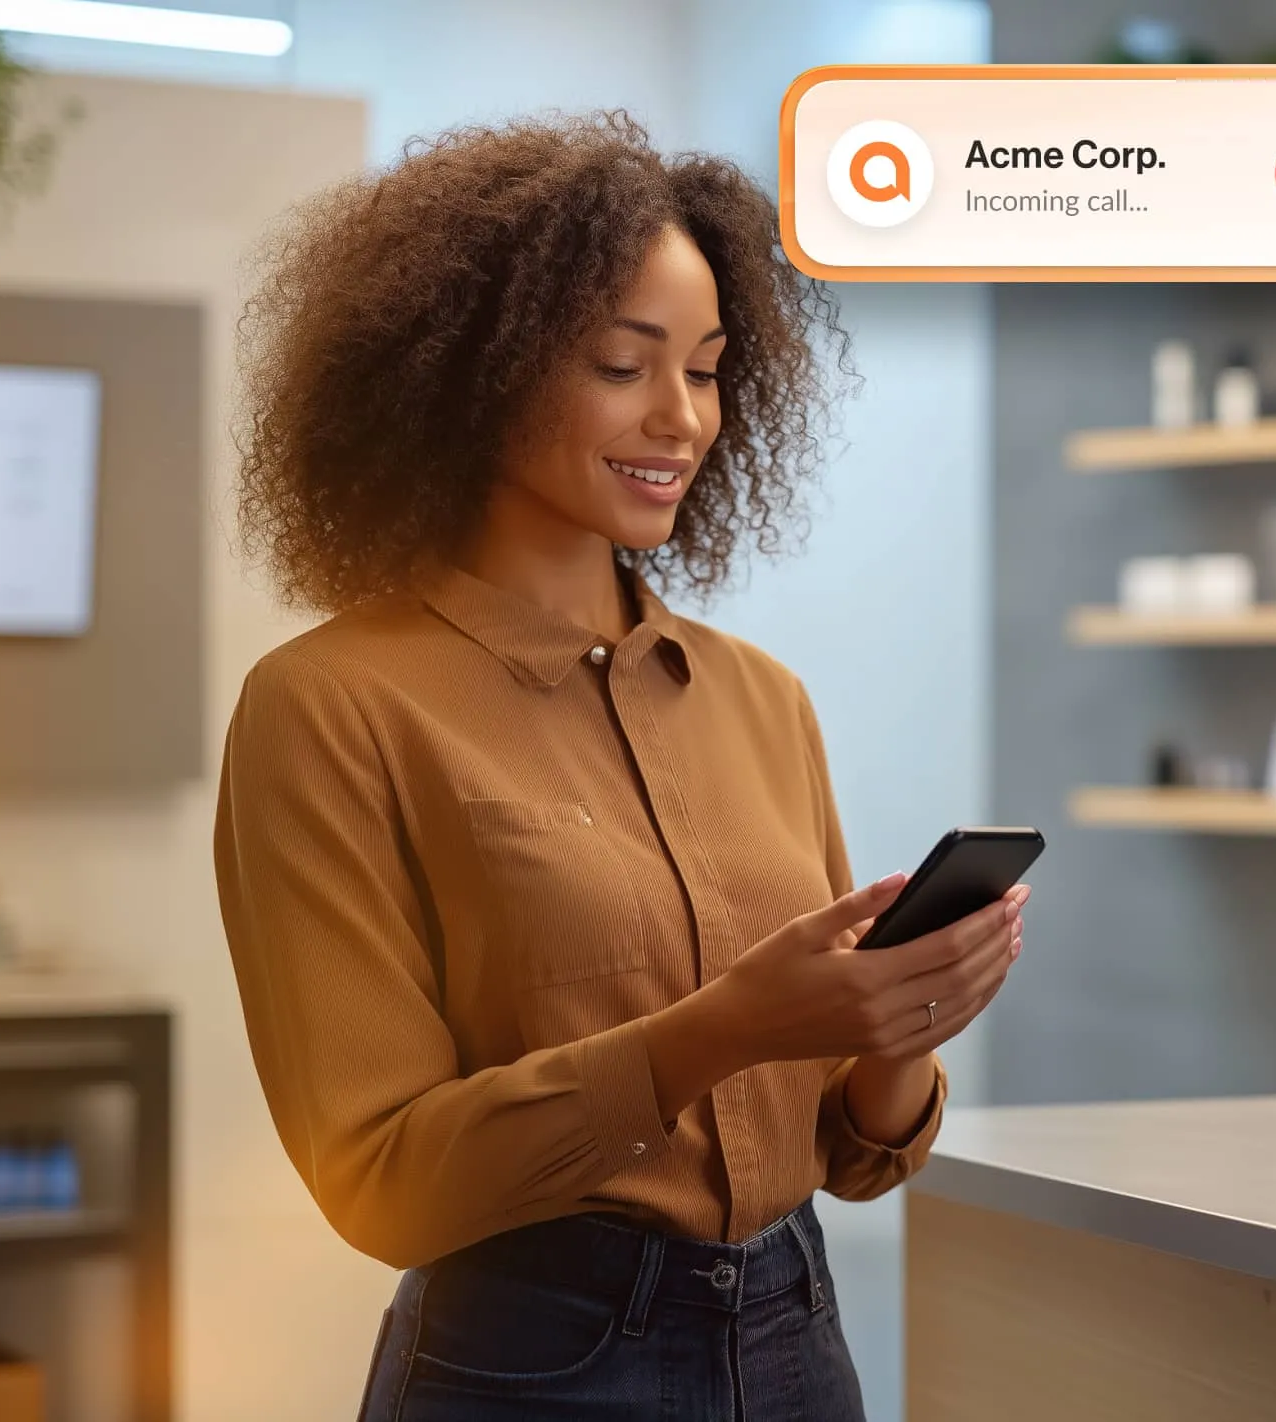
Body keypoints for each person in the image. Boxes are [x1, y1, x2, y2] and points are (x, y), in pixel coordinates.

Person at [213, 110, 1028, 1422]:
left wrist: (899, 1028)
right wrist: (725, 1028)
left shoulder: (762, 697)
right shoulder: (330, 705)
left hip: (799, 1338)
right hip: (530, 1365)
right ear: (472, 373)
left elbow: (853, 1150)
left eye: (706, 370)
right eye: (620, 364)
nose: (679, 417)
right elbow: (379, 1181)